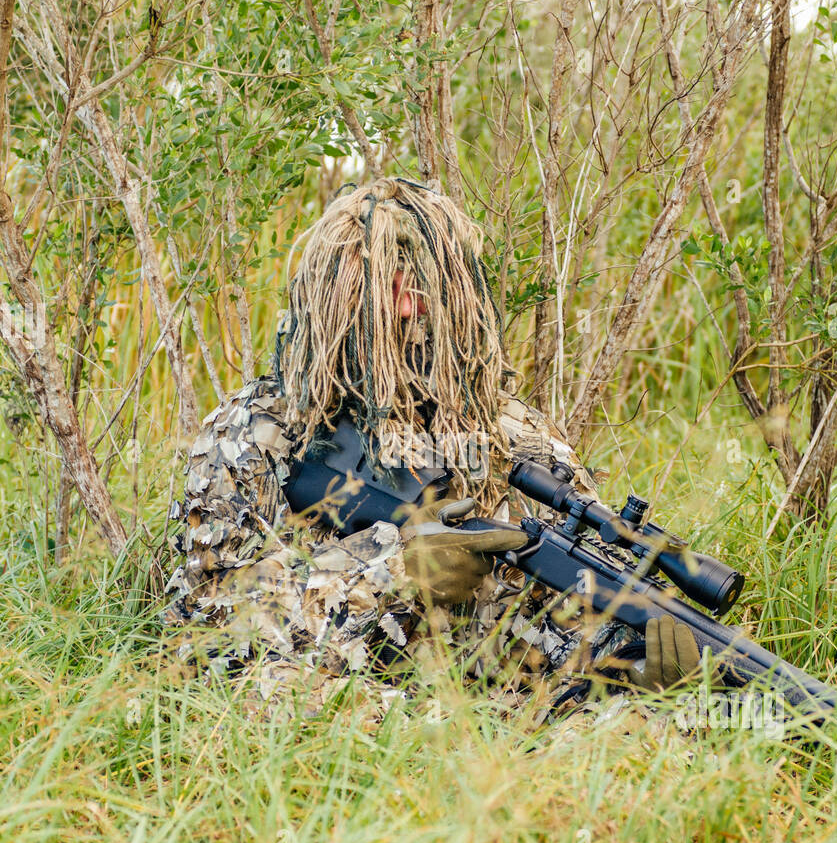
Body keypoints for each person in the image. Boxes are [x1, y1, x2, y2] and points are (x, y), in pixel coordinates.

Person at [166, 178, 700, 710]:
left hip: (499, 720)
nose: (404, 312)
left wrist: (636, 669)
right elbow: (208, 625)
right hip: (345, 712)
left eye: (417, 287)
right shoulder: (258, 432)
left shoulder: (518, 437)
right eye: (378, 288)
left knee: (660, 719)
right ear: (330, 295)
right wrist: (393, 571)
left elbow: (573, 614)